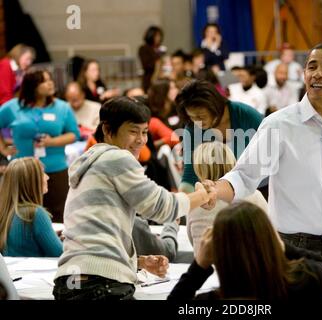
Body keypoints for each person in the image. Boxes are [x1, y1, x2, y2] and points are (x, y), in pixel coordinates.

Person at [204, 42, 322, 266]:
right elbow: (243, 176)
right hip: (293, 248)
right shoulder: (278, 125)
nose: (317, 74)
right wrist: (215, 189)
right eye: (312, 67)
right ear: (304, 74)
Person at [52, 96, 212, 300]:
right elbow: (162, 207)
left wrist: (138, 262)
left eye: (145, 132)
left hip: (71, 282)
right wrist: (203, 194)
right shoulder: (116, 158)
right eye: (133, 131)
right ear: (108, 130)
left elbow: (94, 233)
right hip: (99, 285)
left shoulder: (90, 162)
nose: (141, 140)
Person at [168, 201, 322, 300]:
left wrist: (199, 266)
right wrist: (283, 247)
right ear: (270, 239)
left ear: (220, 253)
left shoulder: (210, 303)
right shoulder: (304, 282)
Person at [0, 69, 80, 223]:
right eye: (44, 80)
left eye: (50, 79)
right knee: (22, 216)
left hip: (56, 170)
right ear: (32, 86)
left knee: (60, 215)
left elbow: (73, 134)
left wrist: (51, 142)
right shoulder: (13, 107)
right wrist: (2, 147)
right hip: (22, 171)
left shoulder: (62, 107)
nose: (50, 83)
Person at [175, 80, 263, 193]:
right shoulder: (192, 128)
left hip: (257, 187)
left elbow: (271, 152)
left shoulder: (246, 115)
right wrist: (182, 200)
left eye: (201, 116)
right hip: (219, 193)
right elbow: (190, 172)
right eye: (192, 117)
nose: (197, 122)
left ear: (215, 107)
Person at [187, 142, 267, 254]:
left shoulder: (197, 202)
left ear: (199, 169)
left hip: (205, 267)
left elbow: (192, 240)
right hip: (250, 267)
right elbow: (270, 233)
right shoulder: (254, 196)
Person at [0, 157, 62, 257]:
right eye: (42, 173)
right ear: (31, 181)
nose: (47, 177)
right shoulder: (35, 214)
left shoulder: (5, 211)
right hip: (38, 271)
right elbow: (59, 253)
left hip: (13, 271)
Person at [138, 25, 166, 92]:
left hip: (161, 77)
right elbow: (146, 64)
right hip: (150, 78)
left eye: (160, 36)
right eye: (156, 36)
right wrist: (157, 62)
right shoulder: (144, 48)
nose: (159, 38)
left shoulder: (160, 49)